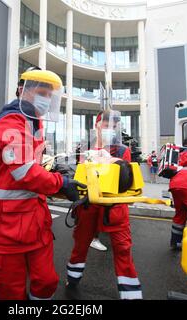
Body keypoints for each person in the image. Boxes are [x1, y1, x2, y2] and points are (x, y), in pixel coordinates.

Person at [0, 69, 86, 300]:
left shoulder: (32, 121)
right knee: (12, 290)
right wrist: (61, 183)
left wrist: (57, 175)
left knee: (46, 281)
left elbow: (30, 166)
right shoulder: (11, 121)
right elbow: (24, 171)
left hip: (34, 220)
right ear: (22, 91)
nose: (46, 99)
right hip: (5, 225)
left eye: (49, 94)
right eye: (41, 92)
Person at [66, 110, 143, 300]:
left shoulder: (123, 150)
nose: (110, 128)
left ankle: (131, 295)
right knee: (81, 244)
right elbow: (81, 175)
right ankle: (72, 279)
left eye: (114, 125)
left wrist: (110, 160)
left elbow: (124, 180)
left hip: (115, 207)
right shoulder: (85, 147)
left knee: (123, 249)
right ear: (97, 126)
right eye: (106, 124)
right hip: (88, 206)